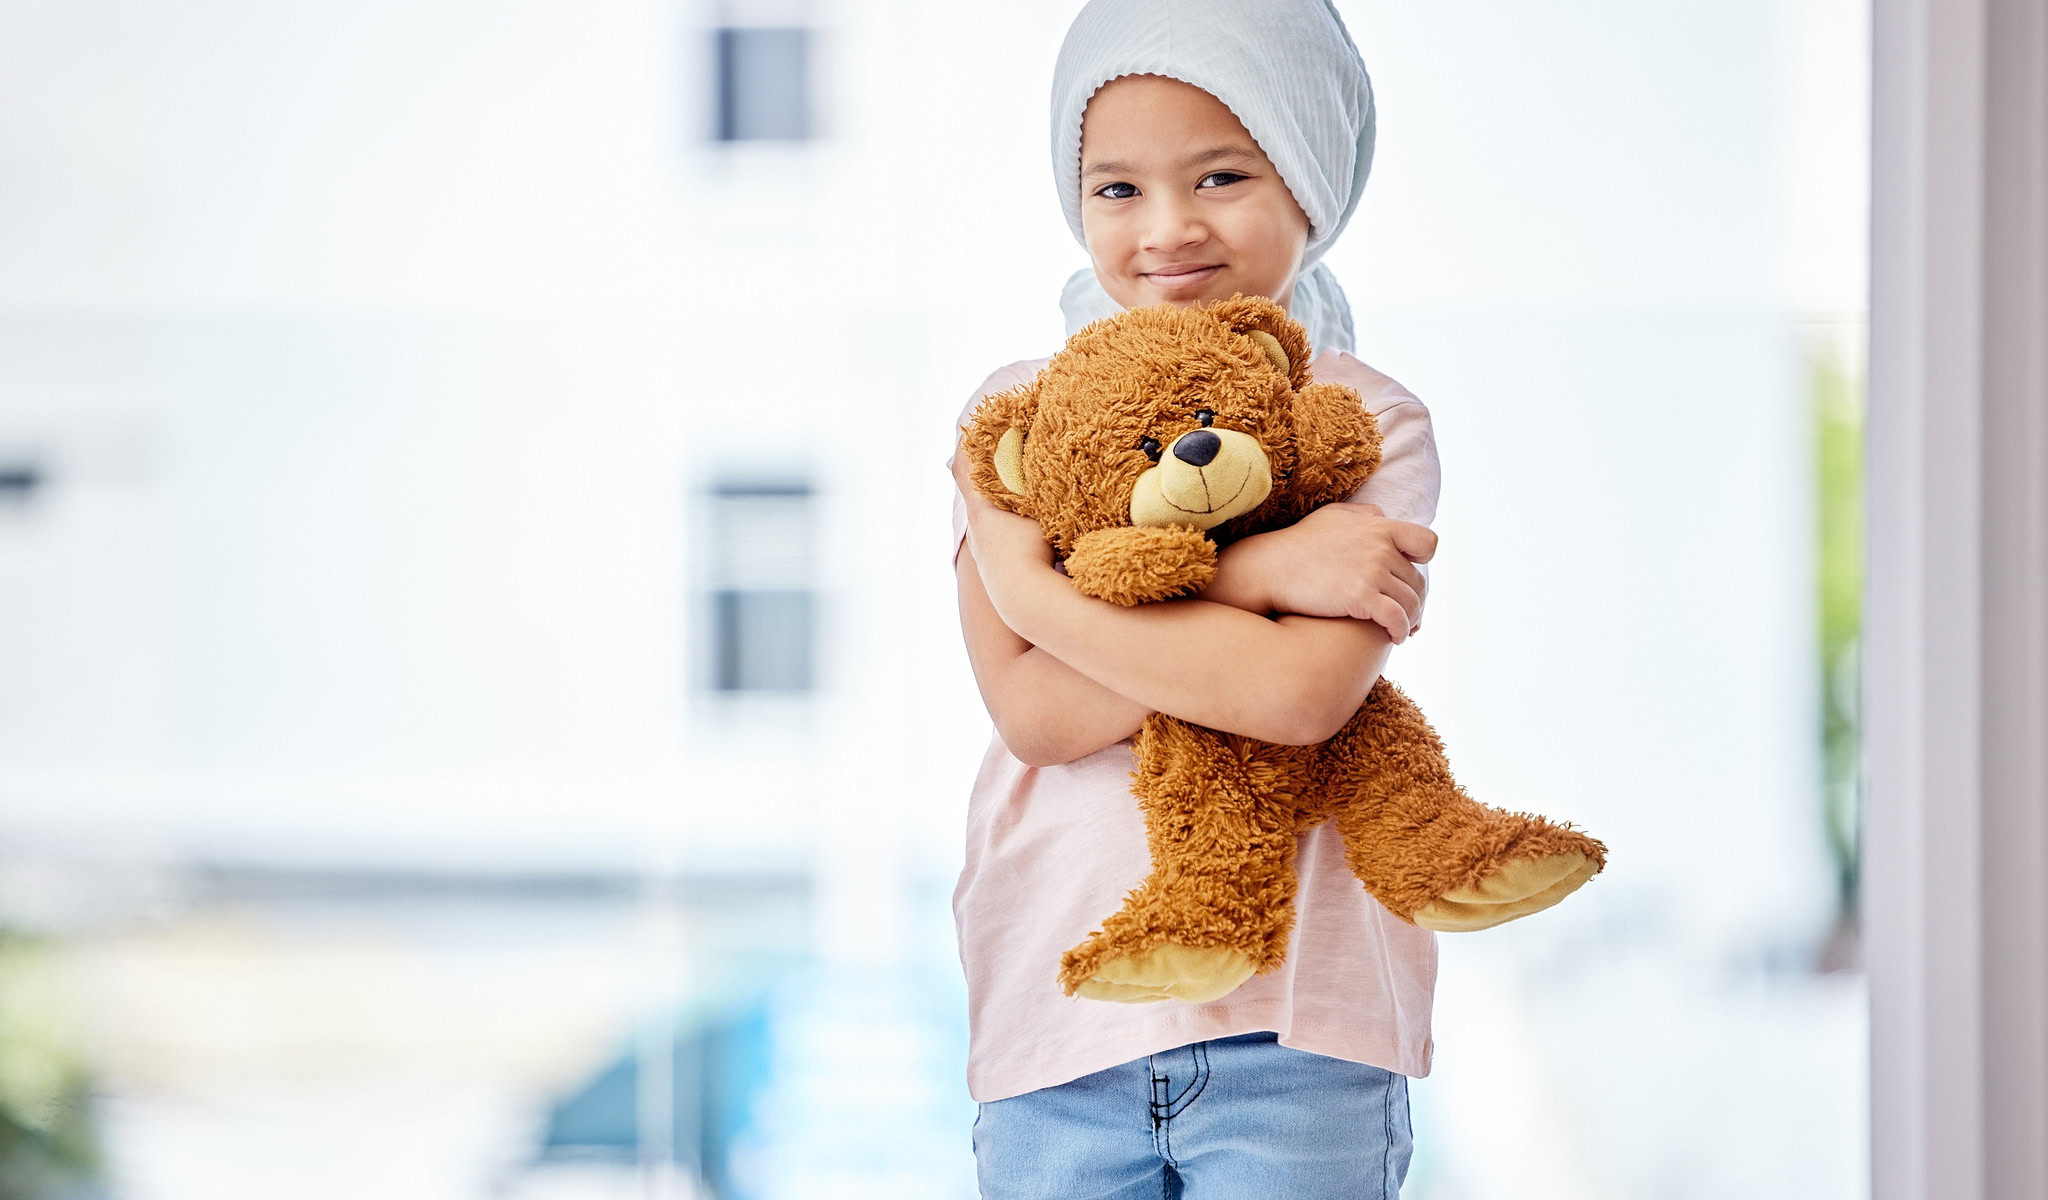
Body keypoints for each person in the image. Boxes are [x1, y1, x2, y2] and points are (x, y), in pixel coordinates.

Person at [945, 1, 1441, 1195]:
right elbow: (1035, 720)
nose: (1166, 229)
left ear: (1311, 179)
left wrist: (1035, 586)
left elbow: (1294, 695)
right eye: (1115, 189)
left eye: (1219, 174)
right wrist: (1260, 571)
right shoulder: (1023, 414)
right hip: (1055, 1009)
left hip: (1300, 1025)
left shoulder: (1364, 421)